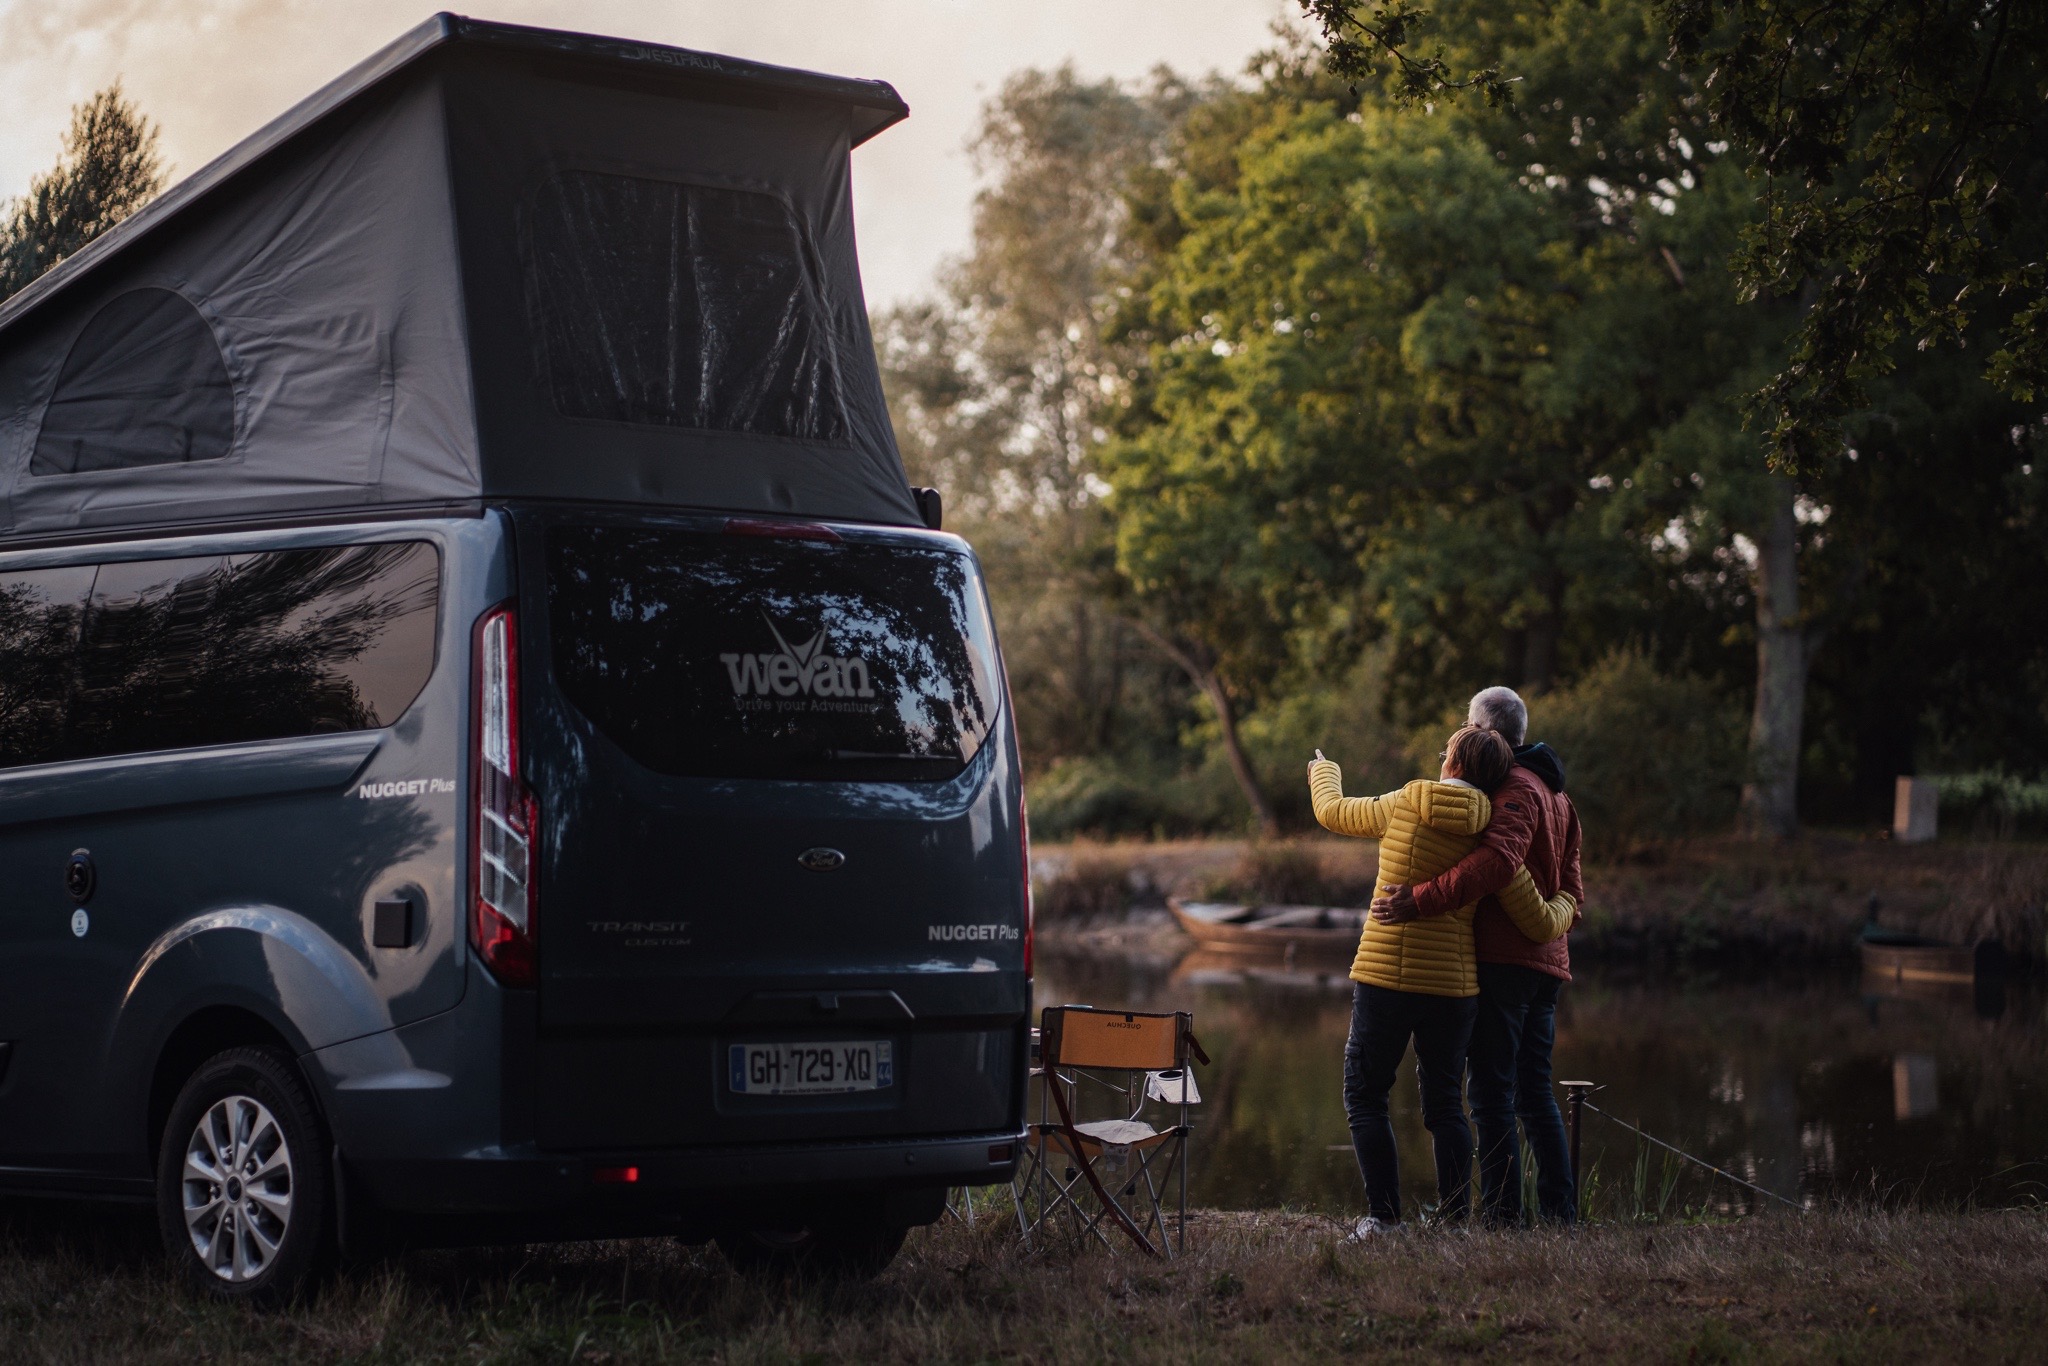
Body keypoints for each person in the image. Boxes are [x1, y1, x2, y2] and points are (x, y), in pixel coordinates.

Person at [1308, 726, 1574, 1237]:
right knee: (1446, 1106)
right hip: (1455, 989)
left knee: (1365, 1096)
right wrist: (1569, 903)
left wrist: (1323, 770)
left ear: (1450, 762)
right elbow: (1539, 921)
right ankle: (1454, 1220)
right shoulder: (1494, 833)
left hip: (1385, 976)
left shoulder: (1407, 801)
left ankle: (1384, 1218)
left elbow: (1333, 812)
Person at [1370, 686, 1583, 1226]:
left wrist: (1419, 899)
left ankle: (1504, 1216)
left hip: (1509, 961)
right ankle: (1560, 1216)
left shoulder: (1515, 786)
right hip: (1545, 961)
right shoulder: (1560, 795)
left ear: (1483, 732)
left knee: (1492, 1094)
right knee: (1534, 1090)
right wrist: (1555, 922)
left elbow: (1496, 863)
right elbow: (1574, 887)